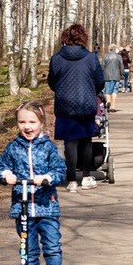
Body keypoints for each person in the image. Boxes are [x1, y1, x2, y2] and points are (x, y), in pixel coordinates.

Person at [0, 101, 69, 265]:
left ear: (41, 123)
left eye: (32, 122)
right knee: (28, 249)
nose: (27, 126)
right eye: (22, 122)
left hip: (47, 207)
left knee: (52, 247)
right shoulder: (13, 148)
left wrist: (48, 177)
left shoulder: (49, 147)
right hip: (22, 208)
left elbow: (61, 171)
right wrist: (5, 173)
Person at [47, 23, 104, 191]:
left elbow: (52, 82)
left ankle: (72, 181)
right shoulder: (91, 58)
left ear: (65, 38)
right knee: (86, 140)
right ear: (83, 38)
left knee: (69, 142)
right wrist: (91, 91)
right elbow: (100, 81)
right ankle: (86, 177)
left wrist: (62, 90)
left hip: (65, 105)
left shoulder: (56, 59)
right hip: (85, 103)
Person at [100, 47, 124, 112]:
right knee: (115, 91)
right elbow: (121, 67)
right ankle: (113, 107)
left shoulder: (106, 56)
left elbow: (102, 66)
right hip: (116, 76)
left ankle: (108, 102)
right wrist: (122, 75)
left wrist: (101, 74)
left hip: (107, 76)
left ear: (109, 49)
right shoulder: (119, 57)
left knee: (107, 91)